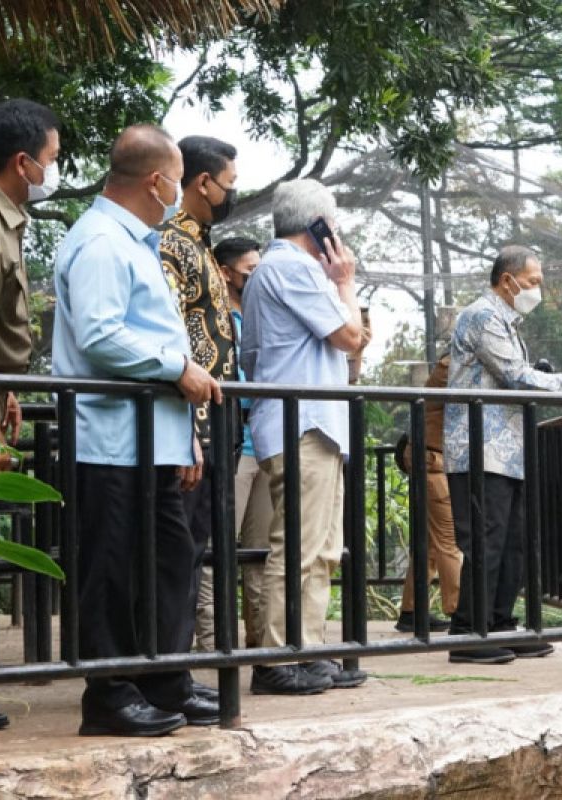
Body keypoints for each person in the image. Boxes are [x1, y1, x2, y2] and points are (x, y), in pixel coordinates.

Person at [52, 124, 222, 736]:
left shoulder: (134, 242)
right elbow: (100, 335)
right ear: (157, 181)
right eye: (178, 181)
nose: (180, 193)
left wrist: (185, 430)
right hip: (110, 436)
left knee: (168, 561)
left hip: (151, 434)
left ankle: (163, 677)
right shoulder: (101, 242)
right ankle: (110, 693)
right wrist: (180, 369)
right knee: (113, 567)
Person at [444, 245, 562, 664]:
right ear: (508, 280)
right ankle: (470, 634)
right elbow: (515, 376)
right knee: (487, 540)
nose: (538, 290)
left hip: (507, 450)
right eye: (534, 282)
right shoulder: (483, 315)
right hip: (478, 446)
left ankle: (498, 622)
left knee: (513, 541)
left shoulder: (508, 323)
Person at [241, 179, 370, 694]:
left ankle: (308, 650)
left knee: (321, 548)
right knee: (295, 545)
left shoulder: (289, 270)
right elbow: (350, 335)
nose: (336, 234)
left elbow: (351, 352)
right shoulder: (289, 268)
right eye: (332, 225)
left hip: (317, 424)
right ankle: (275, 658)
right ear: (317, 225)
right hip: (301, 425)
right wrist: (344, 280)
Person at [0, 98, 60, 732]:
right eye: (52, 159)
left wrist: (6, 392)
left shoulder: (4, 217)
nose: (54, 170)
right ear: (23, 161)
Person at [157, 136, 239, 657]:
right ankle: (168, 668)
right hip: (189, 422)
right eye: (229, 185)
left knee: (197, 549)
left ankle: (178, 669)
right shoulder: (171, 242)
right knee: (177, 551)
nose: (233, 194)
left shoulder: (202, 242)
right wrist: (190, 428)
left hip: (212, 423)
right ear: (202, 182)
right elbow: (167, 334)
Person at [212, 235, 274, 648]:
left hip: (262, 441)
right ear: (225, 272)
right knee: (213, 551)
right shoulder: (213, 322)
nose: (253, 279)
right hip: (229, 443)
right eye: (248, 272)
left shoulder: (260, 316)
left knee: (262, 555)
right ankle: (209, 645)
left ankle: (260, 647)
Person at [394, 353, 461, 633]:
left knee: (431, 544)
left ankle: (411, 610)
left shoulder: (455, 364)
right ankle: (463, 613)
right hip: (434, 461)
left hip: (432, 459)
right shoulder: (454, 365)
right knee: (449, 541)